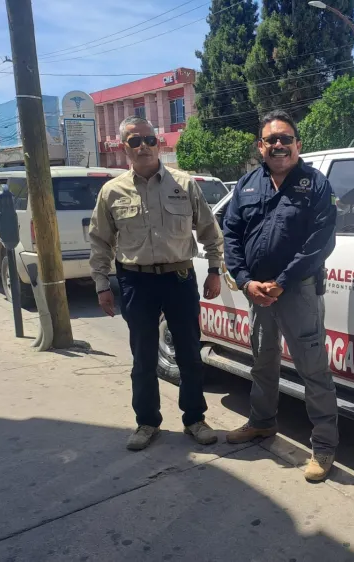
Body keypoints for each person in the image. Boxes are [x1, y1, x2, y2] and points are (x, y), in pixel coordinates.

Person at [89, 116, 224, 451]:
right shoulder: (112, 191)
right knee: (144, 357)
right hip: (136, 281)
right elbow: (100, 241)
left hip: (179, 277)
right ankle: (147, 422)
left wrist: (215, 270)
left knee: (190, 354)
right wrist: (102, 285)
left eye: (149, 139)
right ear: (125, 147)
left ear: (159, 143)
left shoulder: (184, 183)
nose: (144, 146)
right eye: (135, 141)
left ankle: (195, 418)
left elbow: (209, 231)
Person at [222, 110, 338, 482]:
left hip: (297, 291)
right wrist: (244, 280)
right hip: (258, 292)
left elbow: (320, 241)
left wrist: (283, 281)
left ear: (298, 145)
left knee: (313, 369)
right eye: (271, 140)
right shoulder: (247, 185)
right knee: (263, 361)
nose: (278, 145)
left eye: (285, 139)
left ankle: (323, 447)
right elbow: (232, 234)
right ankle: (261, 422)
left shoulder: (315, 185)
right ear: (261, 146)